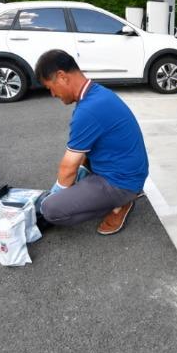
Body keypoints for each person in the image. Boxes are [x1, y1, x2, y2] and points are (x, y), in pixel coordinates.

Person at [35, 50, 148, 235]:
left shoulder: (88, 110)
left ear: (62, 77)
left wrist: (55, 194)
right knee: (73, 176)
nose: (53, 94)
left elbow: (68, 167)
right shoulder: (97, 93)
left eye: (50, 87)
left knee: (50, 209)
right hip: (128, 171)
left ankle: (121, 202)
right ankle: (120, 196)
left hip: (120, 182)